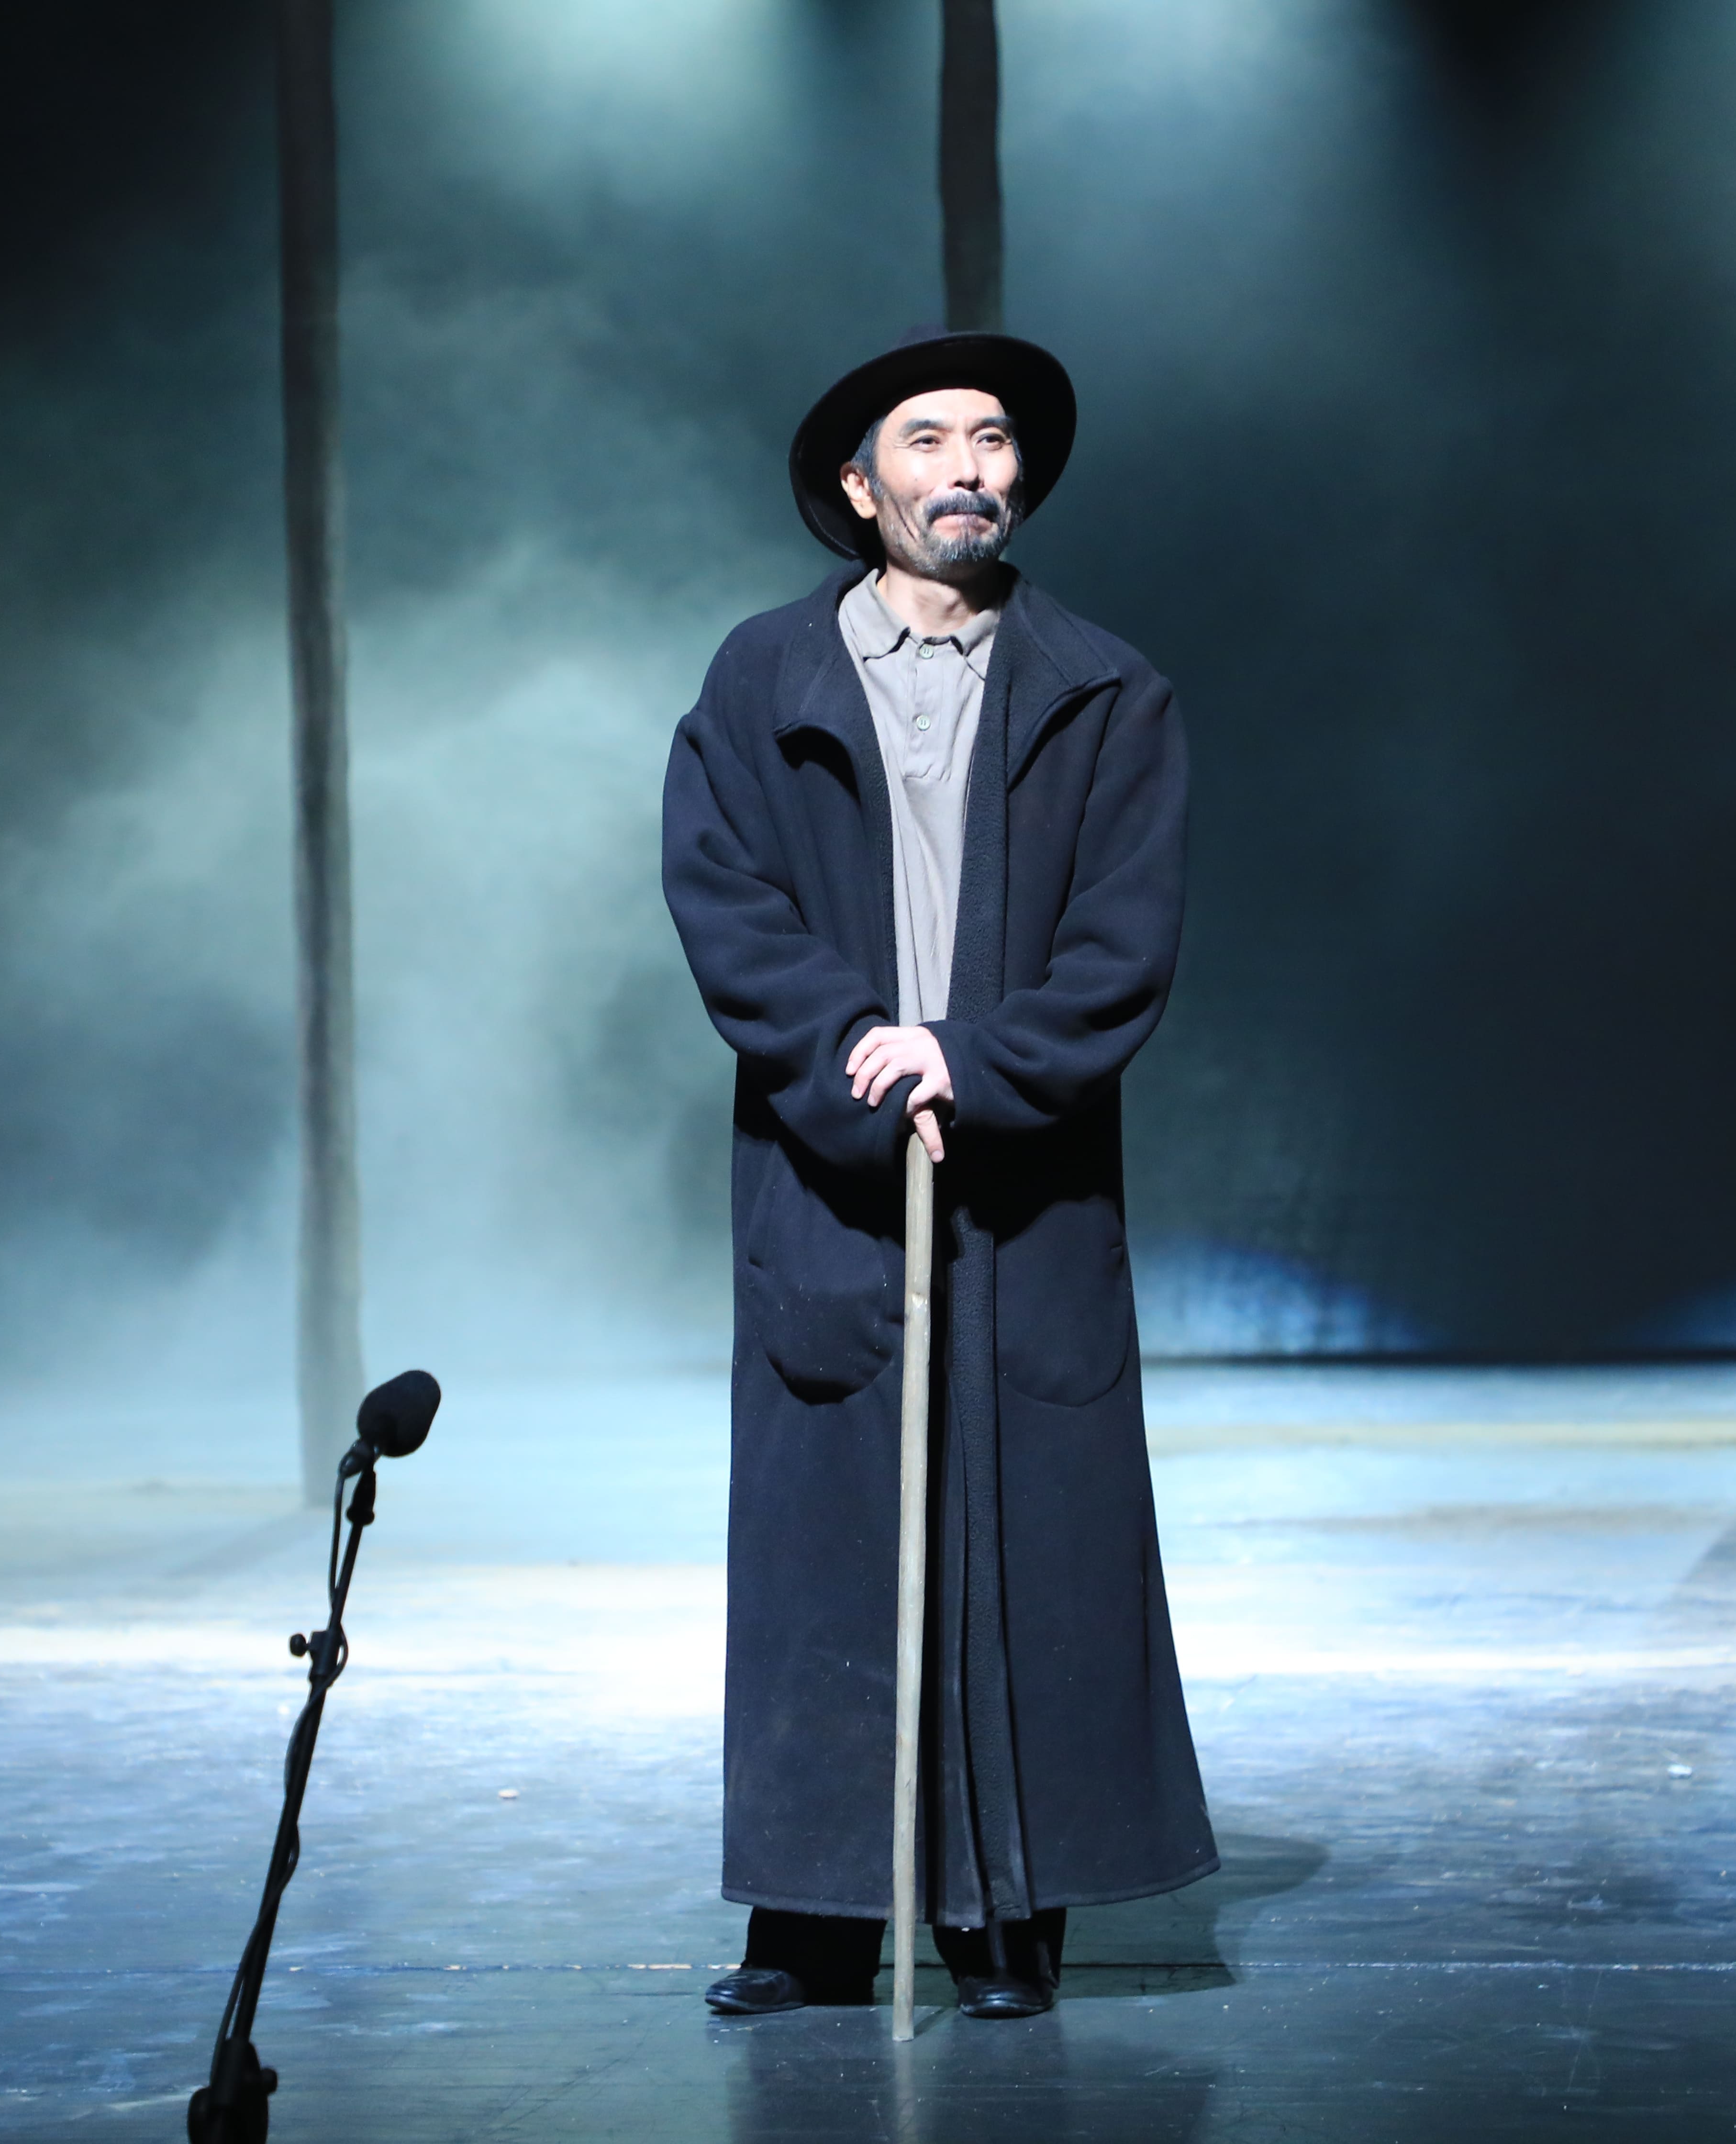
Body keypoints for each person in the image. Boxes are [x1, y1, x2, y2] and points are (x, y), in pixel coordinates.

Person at [661, 329, 1215, 2021]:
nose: (968, 468)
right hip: (835, 1168)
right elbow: (723, 901)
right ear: (860, 485)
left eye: (992, 441)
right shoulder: (763, 677)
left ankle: (1005, 1915)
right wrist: (853, 1049)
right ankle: (814, 1920)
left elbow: (1124, 946)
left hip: (1019, 1177)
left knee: (1025, 1535)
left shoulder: (1104, 690)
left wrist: (975, 1059)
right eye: (929, 440)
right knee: (829, 1539)